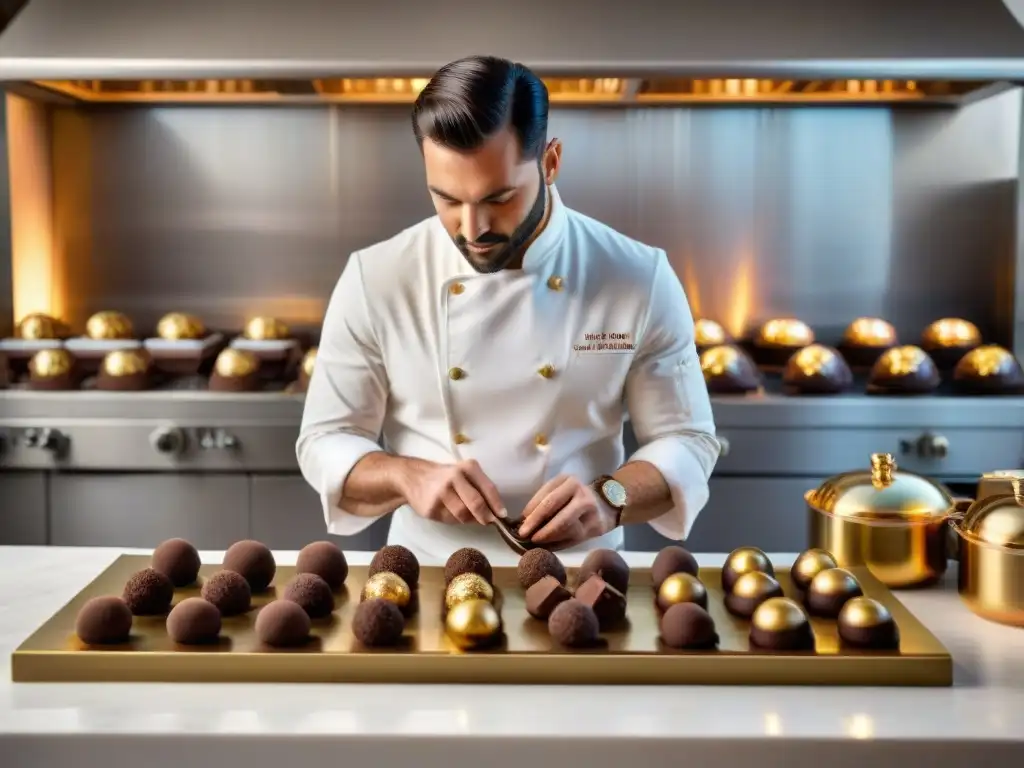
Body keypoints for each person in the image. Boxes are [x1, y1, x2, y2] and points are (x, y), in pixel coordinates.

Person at [297, 55, 720, 562]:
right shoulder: (377, 277)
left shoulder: (636, 276)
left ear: (551, 161)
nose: (471, 228)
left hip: (586, 575)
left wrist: (612, 498)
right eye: (447, 198)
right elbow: (326, 439)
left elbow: (687, 438)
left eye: (498, 198)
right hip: (427, 574)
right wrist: (405, 476)